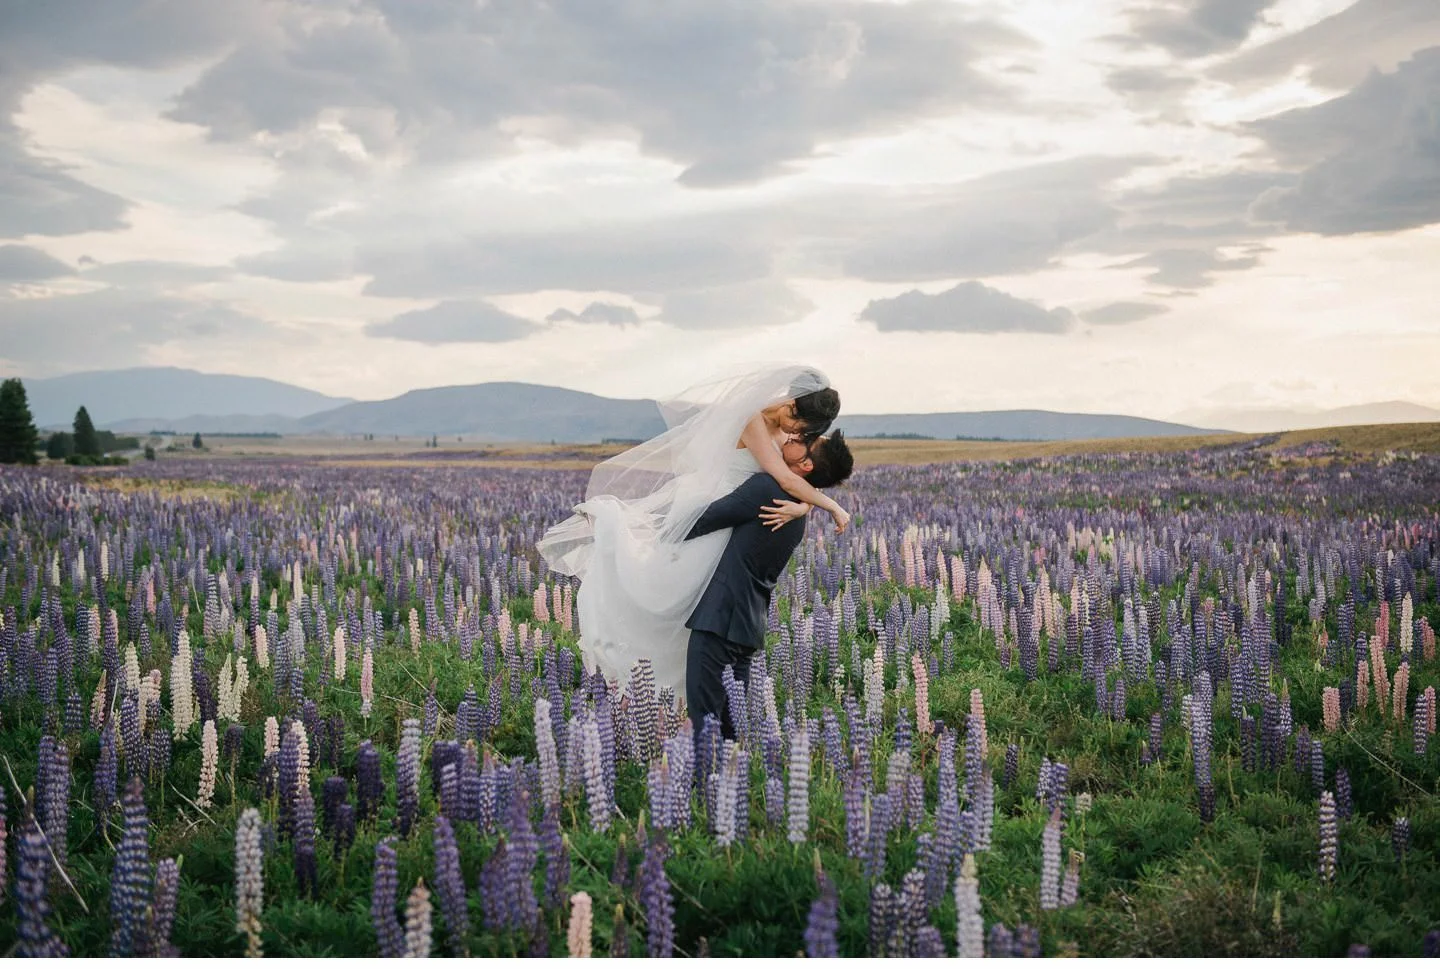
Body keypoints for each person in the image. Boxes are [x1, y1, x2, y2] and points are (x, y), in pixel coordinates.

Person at [536, 364, 850, 693]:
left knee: (700, 610)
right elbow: (785, 478)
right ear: (791, 406)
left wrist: (805, 505)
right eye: (801, 427)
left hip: (737, 519)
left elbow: (801, 475)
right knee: (667, 600)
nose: (799, 435)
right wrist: (832, 506)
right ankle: (611, 527)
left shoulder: (787, 431)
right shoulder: (752, 419)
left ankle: (690, 700)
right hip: (719, 508)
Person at [683, 431, 854, 738]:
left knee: (704, 731)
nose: (796, 436)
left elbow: (699, 521)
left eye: (807, 439)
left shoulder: (767, 489)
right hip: (748, 628)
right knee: (730, 733)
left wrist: (637, 526)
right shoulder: (798, 509)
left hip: (719, 621)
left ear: (806, 465)